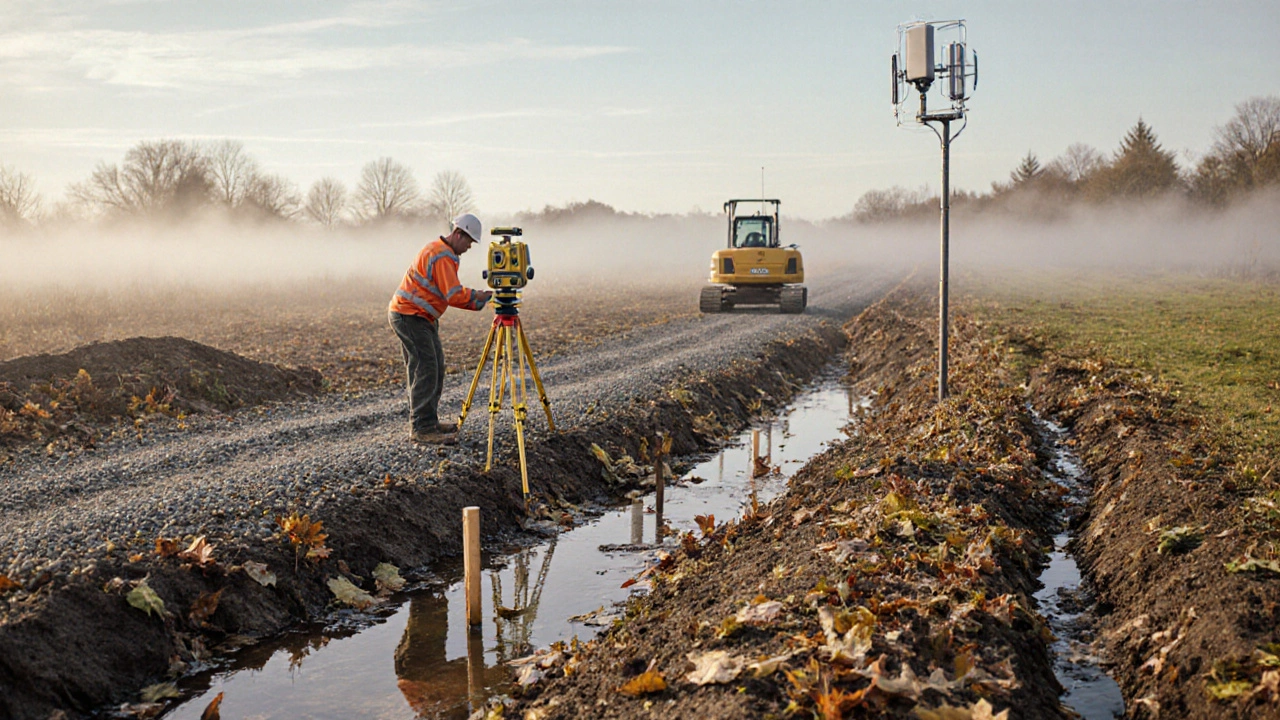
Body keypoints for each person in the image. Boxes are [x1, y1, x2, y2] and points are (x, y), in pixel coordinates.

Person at [389, 213, 493, 443]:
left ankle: (428, 420)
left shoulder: (439, 251)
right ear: (458, 234)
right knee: (426, 367)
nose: (468, 247)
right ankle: (422, 428)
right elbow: (453, 294)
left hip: (418, 316)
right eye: (468, 241)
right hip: (410, 315)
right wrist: (479, 298)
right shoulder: (442, 255)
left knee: (433, 367)